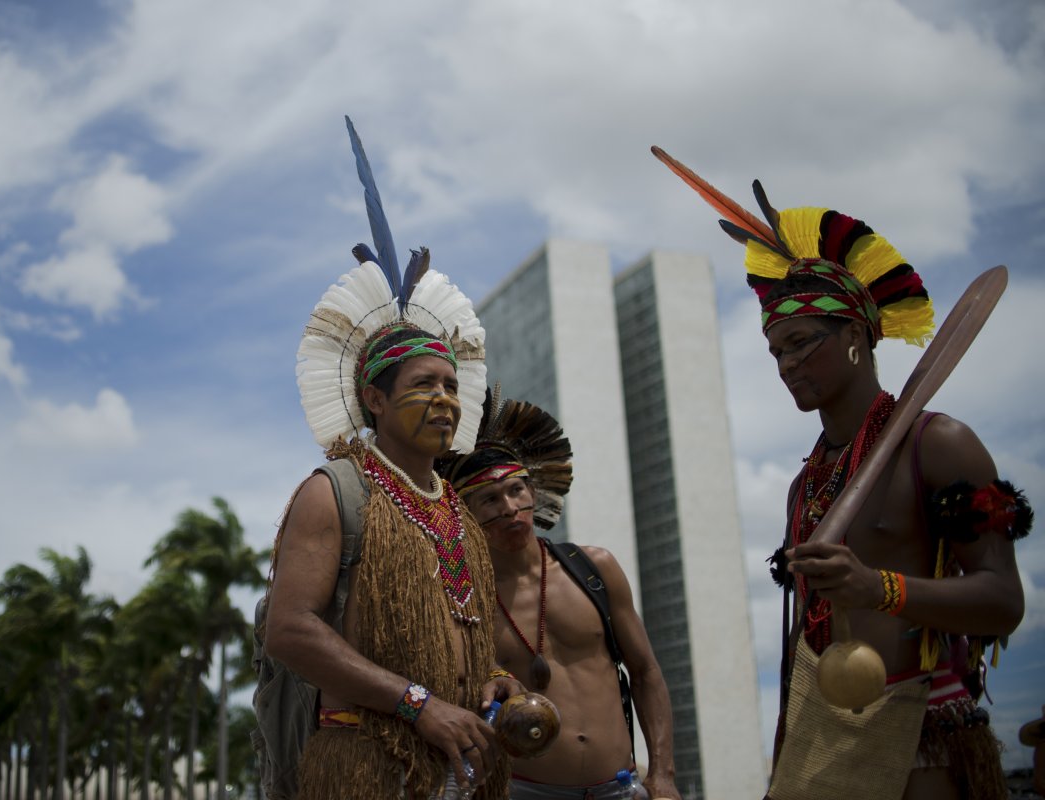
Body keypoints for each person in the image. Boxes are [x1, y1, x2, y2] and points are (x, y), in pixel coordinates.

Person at [653, 147, 1033, 800]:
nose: (785, 364)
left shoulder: (936, 443)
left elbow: (1003, 603)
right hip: (823, 736)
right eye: (776, 350)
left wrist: (879, 587)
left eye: (802, 342)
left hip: (925, 739)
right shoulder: (809, 483)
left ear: (856, 334)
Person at [261, 119, 522, 800]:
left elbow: (461, 627)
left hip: (461, 772)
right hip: (367, 766)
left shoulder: (457, 511)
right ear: (375, 399)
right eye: (422, 387)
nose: (445, 400)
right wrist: (417, 703)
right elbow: (287, 631)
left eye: (450, 386)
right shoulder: (335, 492)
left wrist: (489, 677)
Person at [438, 389, 681, 800]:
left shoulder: (594, 568)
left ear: (533, 493)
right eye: (489, 499)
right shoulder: (464, 601)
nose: (510, 508)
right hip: (524, 790)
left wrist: (663, 774)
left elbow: (645, 672)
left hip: (620, 787)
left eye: (516, 490)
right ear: (464, 515)